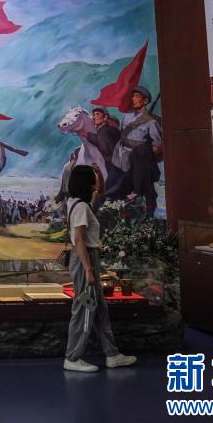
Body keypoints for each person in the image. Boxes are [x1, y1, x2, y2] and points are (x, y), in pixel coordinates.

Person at [63, 164, 137, 373]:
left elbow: (100, 192)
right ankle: (72, 357)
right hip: (85, 259)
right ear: (86, 183)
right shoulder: (81, 208)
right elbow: (79, 239)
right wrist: (88, 270)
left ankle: (112, 354)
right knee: (85, 307)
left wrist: (99, 175)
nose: (96, 183)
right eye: (93, 180)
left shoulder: (76, 203)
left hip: (88, 258)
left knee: (99, 309)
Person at [107, 86, 162, 217]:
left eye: (137, 96)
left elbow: (157, 145)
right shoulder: (127, 117)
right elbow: (122, 134)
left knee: (143, 189)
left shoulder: (152, 122)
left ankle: (146, 214)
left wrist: (145, 161)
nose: (133, 99)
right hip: (120, 158)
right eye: (133, 96)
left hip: (138, 161)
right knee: (113, 186)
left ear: (145, 101)